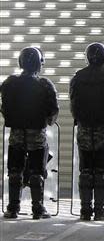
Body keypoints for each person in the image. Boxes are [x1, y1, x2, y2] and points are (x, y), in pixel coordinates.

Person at [69, 42, 104, 221]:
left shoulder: (77, 78)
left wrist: (80, 120)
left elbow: (73, 104)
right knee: (102, 170)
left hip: (84, 129)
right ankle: (100, 210)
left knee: (85, 170)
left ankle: (85, 210)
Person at [0, 47, 59, 219]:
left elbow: (4, 108)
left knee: (15, 170)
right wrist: (47, 121)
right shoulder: (45, 85)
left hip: (16, 133)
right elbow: (53, 112)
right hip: (37, 133)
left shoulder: (9, 83)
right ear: (39, 64)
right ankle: (37, 208)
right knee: (36, 171)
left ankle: (12, 208)